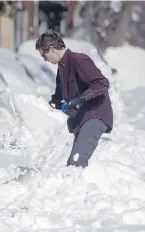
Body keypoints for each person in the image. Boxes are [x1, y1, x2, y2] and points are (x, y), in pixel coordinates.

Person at [35, 30, 113, 168]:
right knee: (72, 164)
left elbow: (102, 83)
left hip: (94, 116)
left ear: (52, 49)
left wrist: (81, 99)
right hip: (81, 121)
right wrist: (42, 107)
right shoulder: (62, 68)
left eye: (44, 54)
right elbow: (58, 98)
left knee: (76, 163)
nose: (45, 59)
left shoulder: (79, 60)